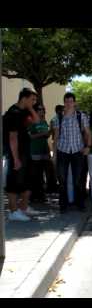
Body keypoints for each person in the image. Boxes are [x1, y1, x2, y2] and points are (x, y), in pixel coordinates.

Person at [4, 88, 40, 221]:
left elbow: (37, 121)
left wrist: (31, 108)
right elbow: (12, 137)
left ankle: (23, 207)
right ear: (24, 98)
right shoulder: (13, 114)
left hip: (25, 151)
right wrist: (16, 159)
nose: (34, 102)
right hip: (16, 153)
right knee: (13, 181)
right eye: (32, 99)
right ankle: (13, 212)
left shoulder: (24, 111)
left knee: (29, 179)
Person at [52, 92, 92, 213]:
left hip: (77, 151)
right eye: (66, 101)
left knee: (78, 179)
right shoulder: (57, 118)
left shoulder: (81, 116)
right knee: (62, 180)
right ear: (64, 102)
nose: (69, 104)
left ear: (75, 103)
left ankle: (80, 204)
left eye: (71, 101)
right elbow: (56, 137)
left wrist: (88, 147)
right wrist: (54, 155)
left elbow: (88, 132)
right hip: (62, 151)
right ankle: (63, 206)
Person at [28, 103, 52, 203]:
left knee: (43, 174)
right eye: (39, 109)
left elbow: (46, 135)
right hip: (35, 151)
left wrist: (50, 131)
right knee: (35, 174)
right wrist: (42, 134)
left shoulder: (44, 121)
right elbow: (30, 136)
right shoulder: (31, 121)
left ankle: (42, 195)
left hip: (44, 150)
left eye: (43, 109)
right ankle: (33, 196)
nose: (42, 111)